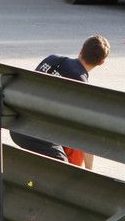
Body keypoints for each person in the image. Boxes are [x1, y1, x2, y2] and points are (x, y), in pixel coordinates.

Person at [10, 35, 111, 168]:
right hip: (37, 134)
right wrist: (89, 171)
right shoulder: (82, 86)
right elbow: (86, 133)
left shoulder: (52, 59)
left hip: (16, 126)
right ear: (102, 62)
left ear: (81, 50)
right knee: (65, 171)